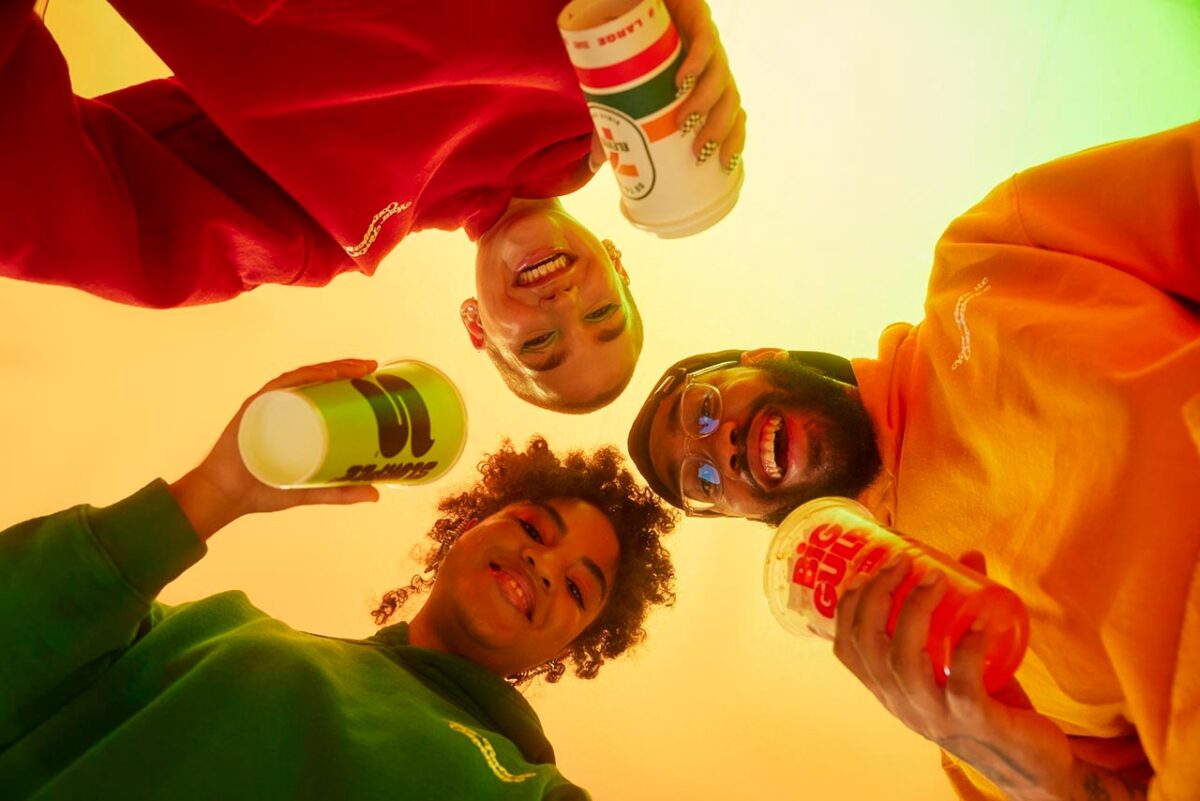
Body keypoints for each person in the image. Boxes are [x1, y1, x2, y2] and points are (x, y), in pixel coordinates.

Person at [626, 121, 1200, 799]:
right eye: (704, 481)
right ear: (749, 517)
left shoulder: (985, 257)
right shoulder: (940, 676)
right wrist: (1055, 780)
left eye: (700, 409)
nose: (717, 446)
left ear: (763, 358)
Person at [0, 0, 746, 412]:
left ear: (477, 327)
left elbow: (45, 206)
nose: (561, 306)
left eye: (541, 345)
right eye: (600, 315)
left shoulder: (328, 231)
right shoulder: (615, 86)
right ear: (615, 263)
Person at [0, 359, 677, 799]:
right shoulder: (218, 630)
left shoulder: (524, 786)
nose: (544, 565)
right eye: (533, 528)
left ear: (566, 649)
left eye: (581, 588)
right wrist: (214, 490)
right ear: (465, 525)